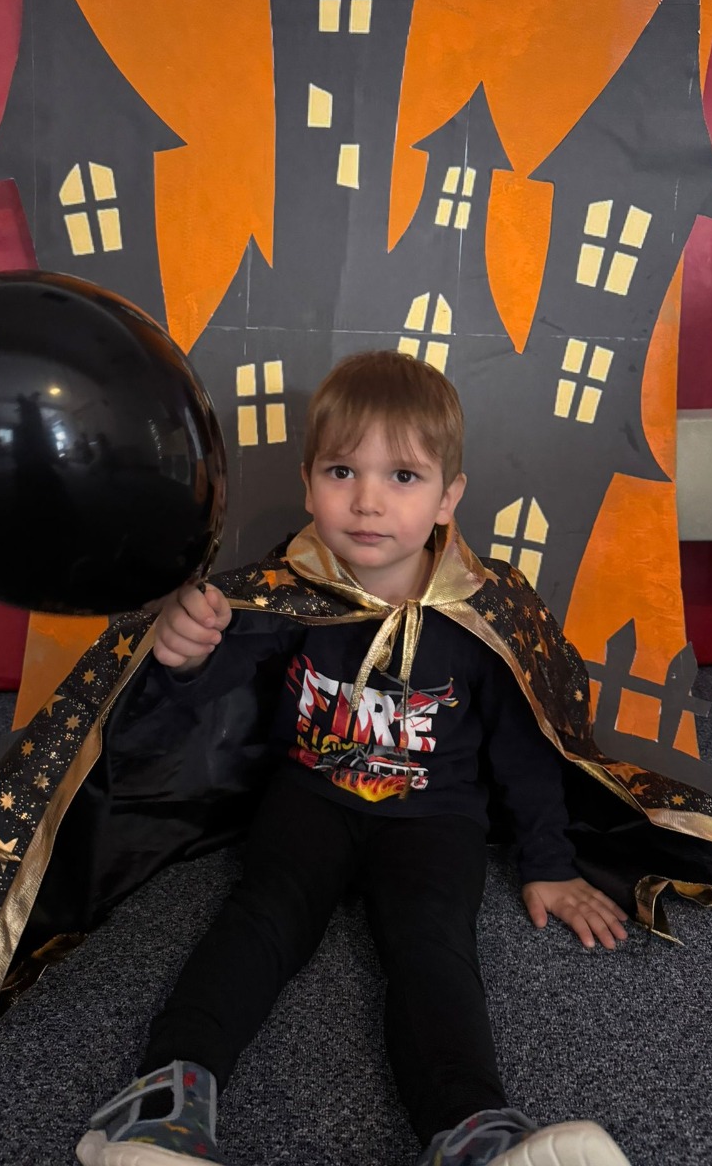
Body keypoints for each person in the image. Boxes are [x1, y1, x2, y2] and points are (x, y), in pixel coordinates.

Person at [75, 351, 632, 1166]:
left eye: (403, 476)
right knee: (261, 918)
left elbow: (526, 747)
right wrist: (186, 655)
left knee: (434, 946)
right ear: (309, 485)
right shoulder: (290, 586)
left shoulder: (483, 611)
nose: (368, 501)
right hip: (309, 798)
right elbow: (218, 696)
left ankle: (476, 1133)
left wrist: (547, 861)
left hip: (437, 818)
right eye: (342, 471)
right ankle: (163, 1105)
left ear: (449, 497)